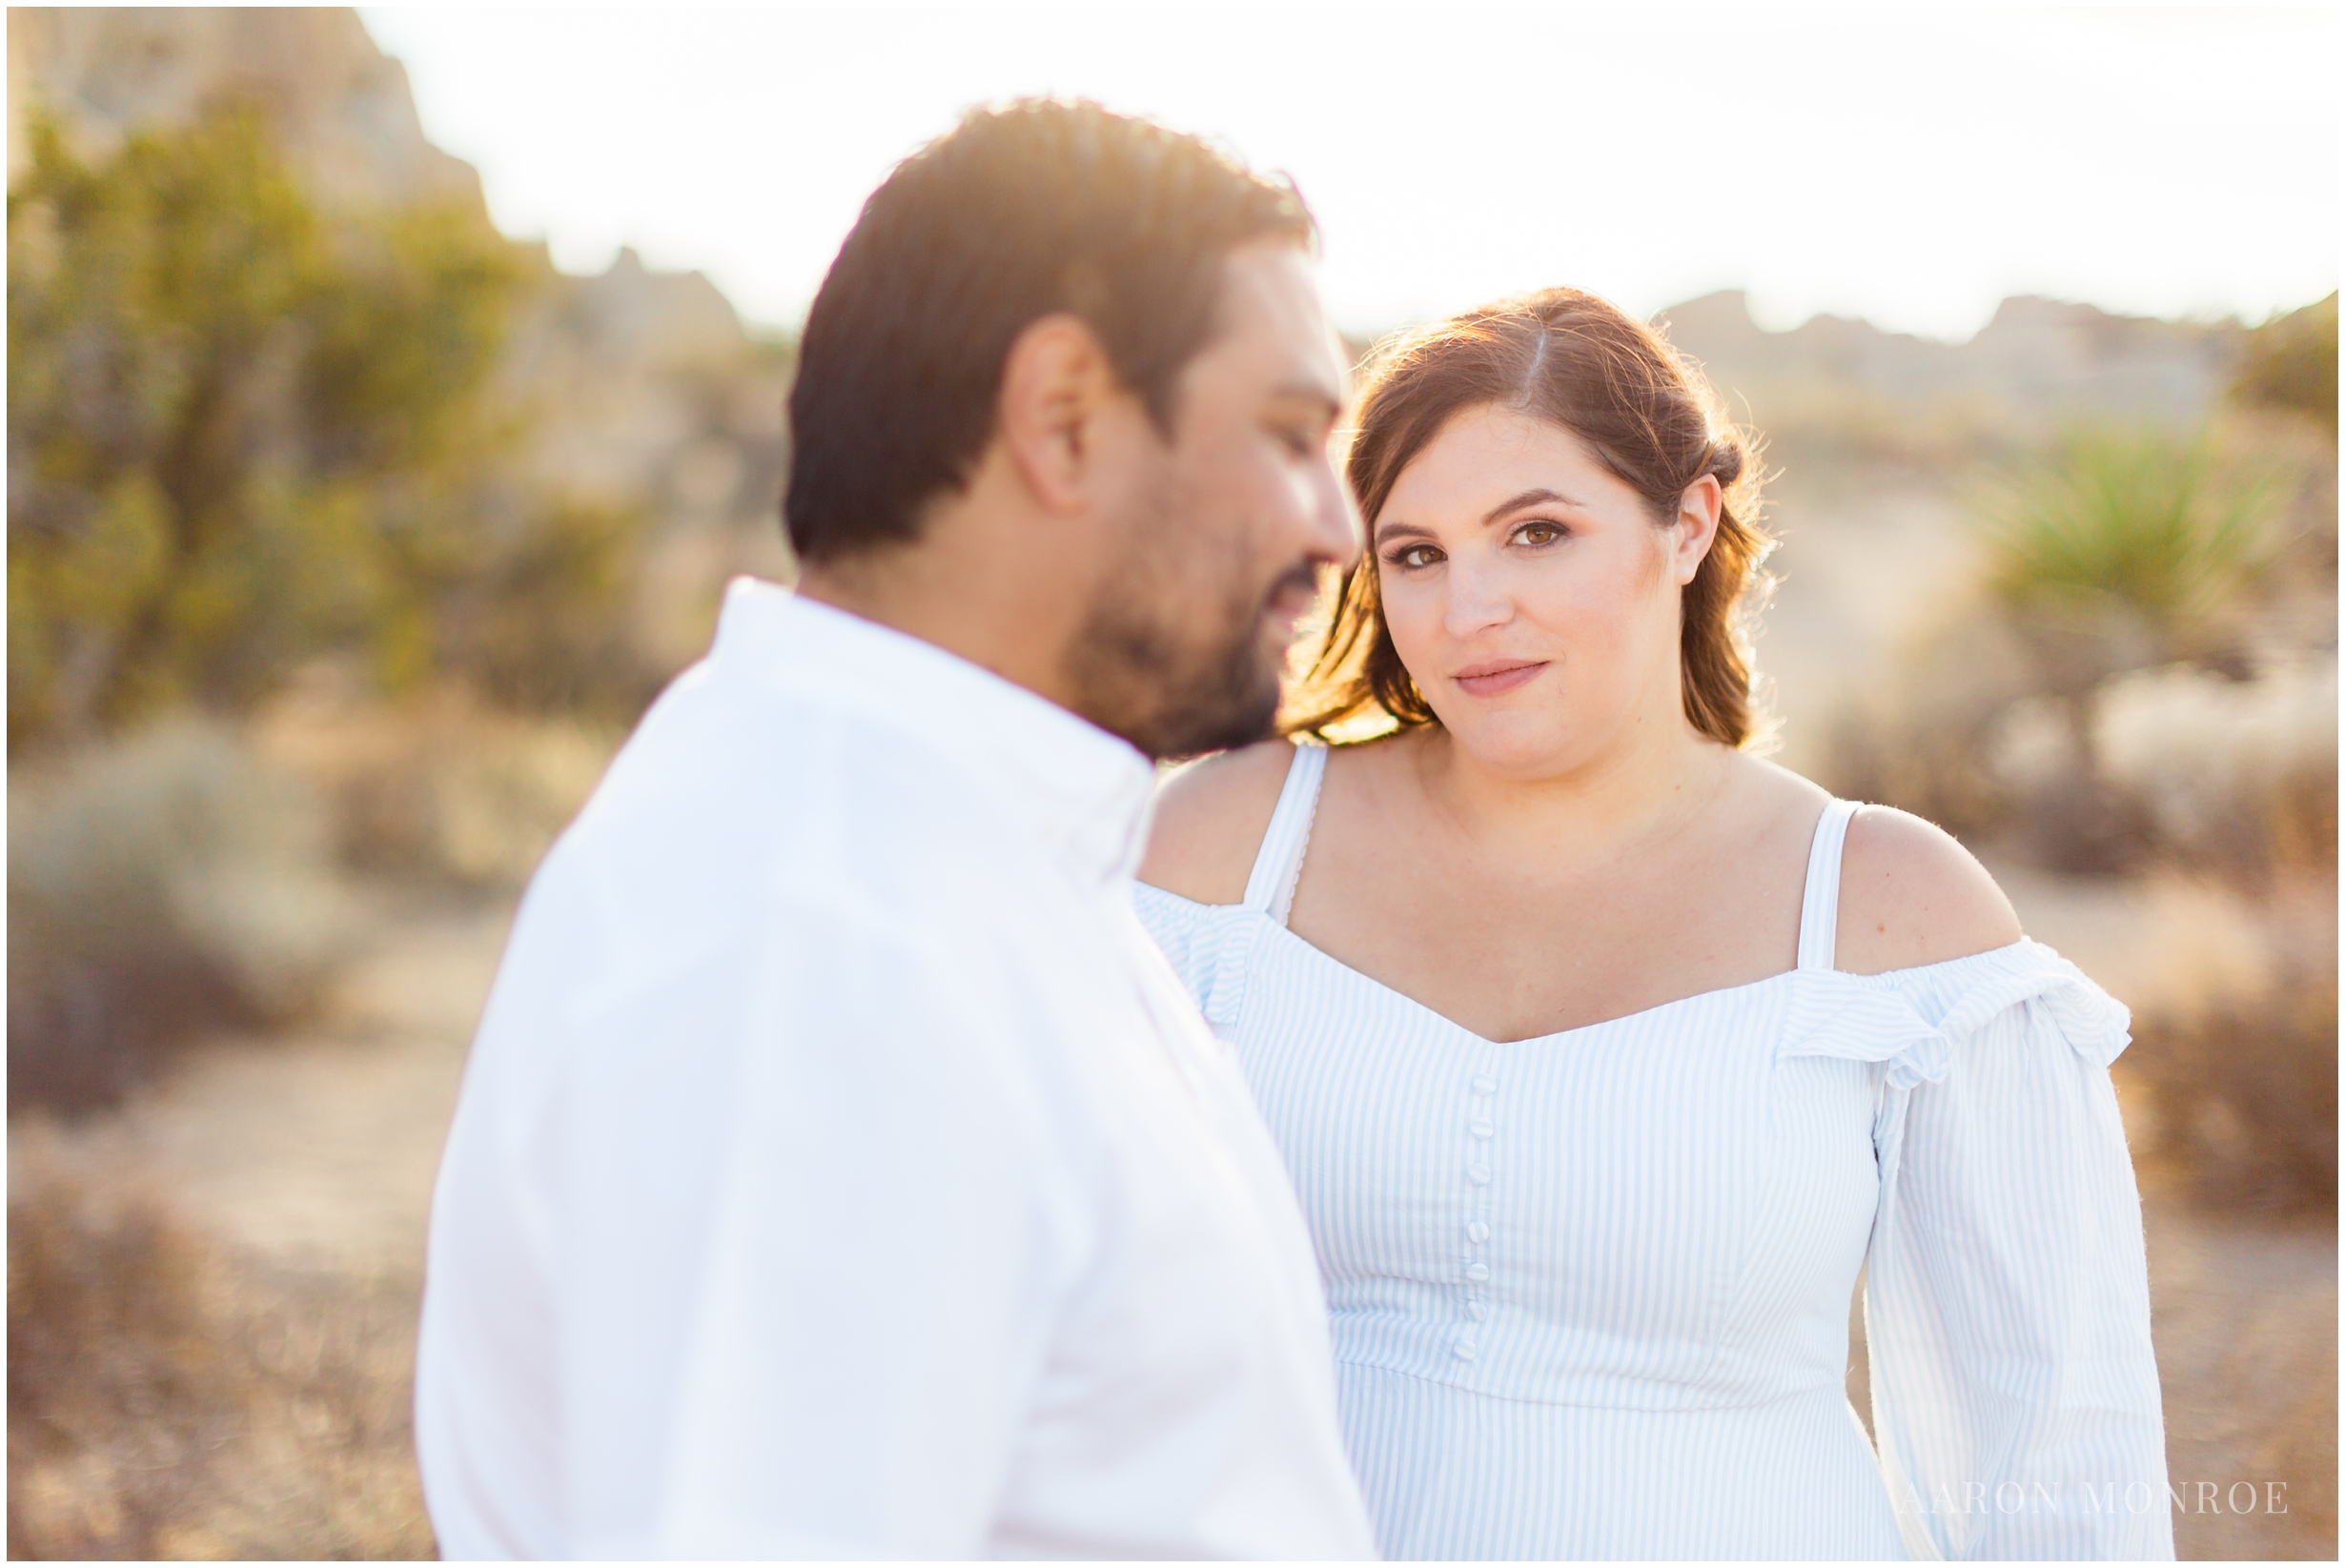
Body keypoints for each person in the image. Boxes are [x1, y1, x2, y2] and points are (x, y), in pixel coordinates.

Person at [414, 100, 1377, 1559]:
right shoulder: (822, 934)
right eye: (1294, 434)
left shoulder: (945, 849)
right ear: (1062, 415)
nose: (1340, 529)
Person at [1135, 288, 2173, 1560]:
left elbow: (2056, 1446)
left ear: (1687, 524)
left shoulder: (1890, 911)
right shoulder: (1221, 851)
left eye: (1537, 533)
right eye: (1416, 554)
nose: (1469, 613)